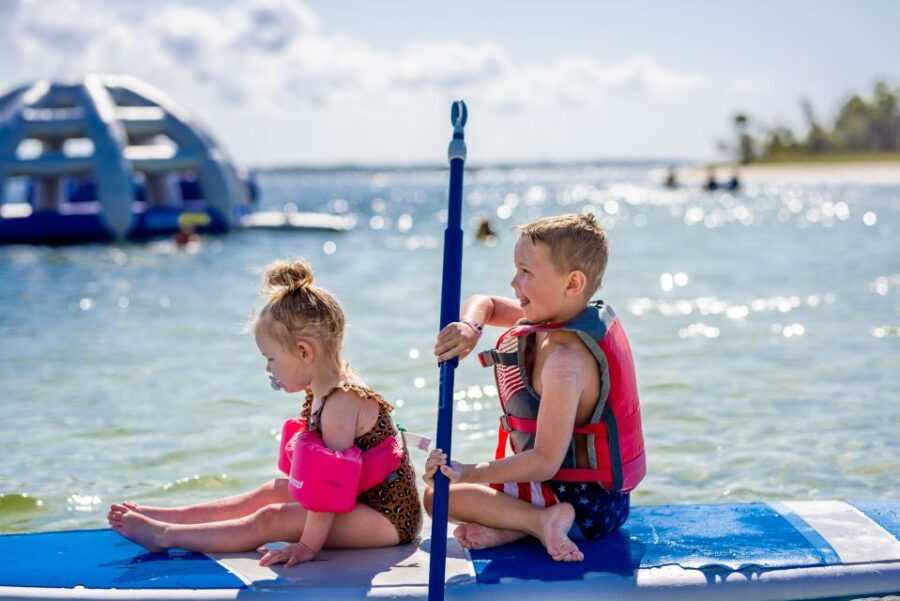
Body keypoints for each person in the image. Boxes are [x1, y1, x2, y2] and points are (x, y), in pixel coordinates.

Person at [108, 260, 422, 567]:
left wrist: (306, 546)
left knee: (273, 519)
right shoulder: (325, 384)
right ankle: (165, 516)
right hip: (365, 502)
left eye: (271, 358)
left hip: (388, 518)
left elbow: (330, 490)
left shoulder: (340, 403)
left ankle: (164, 536)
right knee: (269, 492)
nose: (268, 368)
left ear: (303, 352)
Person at [424, 213, 645, 563]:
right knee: (441, 493)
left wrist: (468, 471)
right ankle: (516, 528)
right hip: (584, 497)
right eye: (516, 268)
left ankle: (539, 521)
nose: (514, 282)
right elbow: (488, 304)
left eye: (526, 272)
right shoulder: (552, 316)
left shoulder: (566, 362)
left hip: (587, 507)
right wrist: (470, 327)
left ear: (572, 284)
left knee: (439, 497)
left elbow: (544, 462)